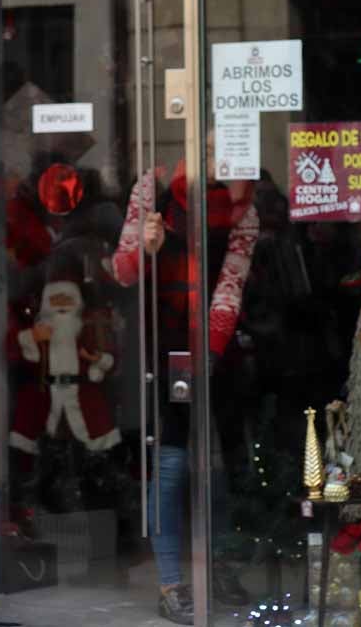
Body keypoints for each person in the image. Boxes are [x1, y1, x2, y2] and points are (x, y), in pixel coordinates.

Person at [112, 131, 259, 624]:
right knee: (173, 465)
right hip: (164, 345)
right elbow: (123, 270)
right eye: (212, 148)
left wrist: (209, 357)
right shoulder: (151, 191)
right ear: (192, 146)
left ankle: (215, 567)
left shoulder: (245, 209)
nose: (220, 160)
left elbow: (230, 287)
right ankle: (172, 581)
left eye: (230, 151)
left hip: (214, 352)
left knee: (221, 468)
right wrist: (146, 249)